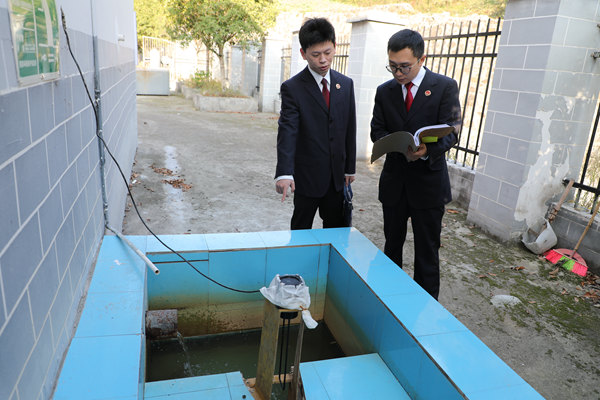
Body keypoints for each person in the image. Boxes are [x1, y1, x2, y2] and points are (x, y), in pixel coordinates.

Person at [370, 29, 461, 300]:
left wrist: (427, 150)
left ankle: (425, 309)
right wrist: (393, 143)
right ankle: (390, 300)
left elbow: (453, 130)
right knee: (391, 247)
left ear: (422, 59)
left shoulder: (444, 86)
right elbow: (377, 130)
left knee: (427, 253)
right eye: (392, 66)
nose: (398, 73)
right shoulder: (384, 91)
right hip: (395, 182)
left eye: (404, 67)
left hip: (428, 184)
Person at [275, 17, 357, 229]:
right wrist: (284, 172)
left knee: (336, 231)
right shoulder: (293, 88)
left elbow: (350, 128)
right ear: (303, 54)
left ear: (335, 47)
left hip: (337, 179)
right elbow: (288, 131)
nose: (323, 60)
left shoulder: (345, 85)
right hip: (307, 178)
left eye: (328, 52)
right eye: (315, 54)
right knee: (301, 231)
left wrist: (349, 168)